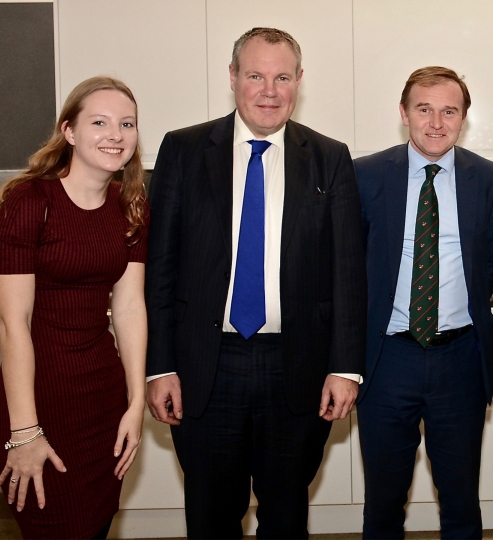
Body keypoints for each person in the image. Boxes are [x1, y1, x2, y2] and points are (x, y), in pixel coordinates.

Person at [144, 27, 366, 539]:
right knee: (210, 517)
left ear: (299, 82)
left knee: (286, 517)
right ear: (233, 78)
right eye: (256, 76)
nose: (270, 90)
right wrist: (161, 367)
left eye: (282, 77)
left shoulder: (329, 158)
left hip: (298, 371)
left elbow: (348, 274)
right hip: (205, 368)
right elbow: (161, 270)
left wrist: (345, 369)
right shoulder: (183, 149)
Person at [354, 66, 493, 539]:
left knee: (461, 499)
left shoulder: (488, 178)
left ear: (464, 118)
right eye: (424, 109)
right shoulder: (364, 175)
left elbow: (488, 264)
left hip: (460, 360)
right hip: (385, 359)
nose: (436, 123)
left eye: (449, 111)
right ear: (404, 113)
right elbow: (350, 269)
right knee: (383, 500)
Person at [0, 76, 148, 539]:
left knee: (96, 523)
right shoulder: (29, 200)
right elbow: (12, 324)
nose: (115, 135)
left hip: (103, 399)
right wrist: (25, 431)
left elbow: (128, 309)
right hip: (39, 396)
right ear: (68, 131)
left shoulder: (131, 206)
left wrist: (136, 400)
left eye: (127, 123)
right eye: (99, 122)